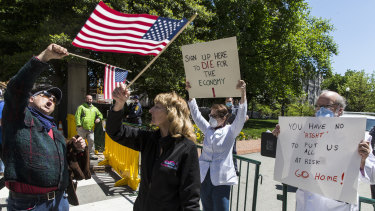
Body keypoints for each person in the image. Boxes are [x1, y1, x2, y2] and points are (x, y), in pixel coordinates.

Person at [2, 44, 89, 210]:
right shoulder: (18, 117)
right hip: (30, 203)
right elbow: (16, 89)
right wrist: (44, 57)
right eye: (45, 95)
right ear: (30, 99)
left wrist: (76, 147)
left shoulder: (52, 127)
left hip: (60, 200)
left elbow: (63, 154)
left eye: (54, 100)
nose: (51, 100)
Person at [272, 90, 373, 211]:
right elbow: (291, 157)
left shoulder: (359, 137)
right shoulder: (304, 132)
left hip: (337, 205)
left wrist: (362, 161)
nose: (320, 110)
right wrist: (282, 137)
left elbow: (371, 177)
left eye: (326, 106)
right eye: (318, 106)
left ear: (339, 110)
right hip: (305, 202)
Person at [106, 84, 201, 211]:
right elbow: (115, 131)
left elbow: (190, 198)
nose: (150, 110)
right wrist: (119, 103)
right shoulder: (149, 140)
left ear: (171, 113)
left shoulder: (187, 148)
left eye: (157, 107)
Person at [186, 80, 247, 211]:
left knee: (221, 208)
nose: (211, 117)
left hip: (221, 179)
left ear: (224, 117)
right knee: (207, 207)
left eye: (214, 115)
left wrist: (243, 93)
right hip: (204, 177)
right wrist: (191, 93)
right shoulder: (208, 129)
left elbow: (241, 116)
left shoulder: (231, 131)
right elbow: (196, 115)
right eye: (210, 114)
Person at [75, 94, 103, 160]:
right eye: (88, 99)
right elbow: (77, 116)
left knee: (91, 140)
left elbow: (100, 115)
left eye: (90, 99)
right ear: (85, 99)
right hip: (82, 128)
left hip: (90, 129)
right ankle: (80, 154)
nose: (89, 100)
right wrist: (79, 125)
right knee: (80, 142)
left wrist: (99, 118)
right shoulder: (81, 107)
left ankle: (91, 155)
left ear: (92, 100)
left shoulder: (94, 109)